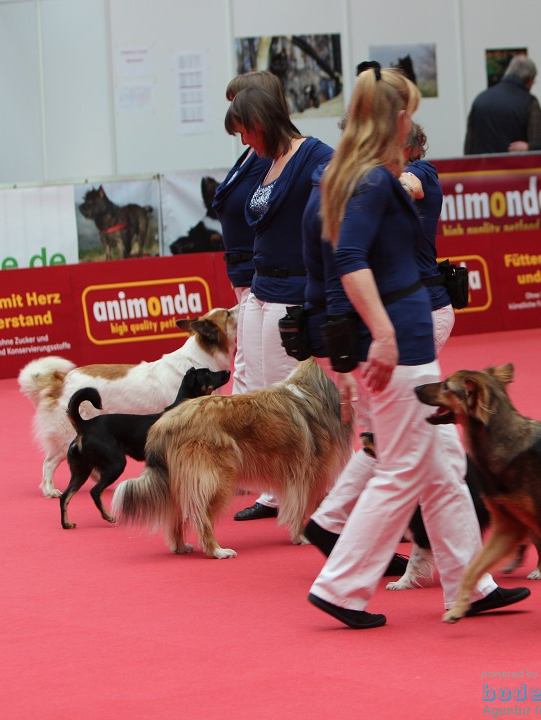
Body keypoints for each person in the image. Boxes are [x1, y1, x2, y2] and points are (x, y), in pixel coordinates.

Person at [306, 66, 529, 629]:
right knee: (403, 470)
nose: (414, 119)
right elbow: (349, 262)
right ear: (397, 117)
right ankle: (340, 587)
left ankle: (471, 583)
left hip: (402, 341)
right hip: (401, 345)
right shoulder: (372, 181)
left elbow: (345, 265)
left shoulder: (356, 175)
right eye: (410, 109)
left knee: (444, 467)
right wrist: (378, 337)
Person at [227, 83, 334, 525]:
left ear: (260, 123)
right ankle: (280, 491)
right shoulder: (269, 161)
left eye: (244, 131)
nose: (243, 142)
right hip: (260, 289)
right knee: (258, 395)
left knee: (289, 405)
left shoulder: (316, 156)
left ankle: (317, 498)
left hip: (291, 292)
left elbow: (328, 214)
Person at [212, 72, 277, 398]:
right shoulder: (251, 153)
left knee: (253, 365)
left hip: (258, 273)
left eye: (236, 104)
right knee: (247, 362)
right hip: (243, 272)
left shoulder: (270, 155)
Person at [463, 55, 541, 155]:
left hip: (483, 169)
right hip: (517, 167)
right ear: (529, 80)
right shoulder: (529, 102)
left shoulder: (480, 100)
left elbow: (469, 144)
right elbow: (540, 142)